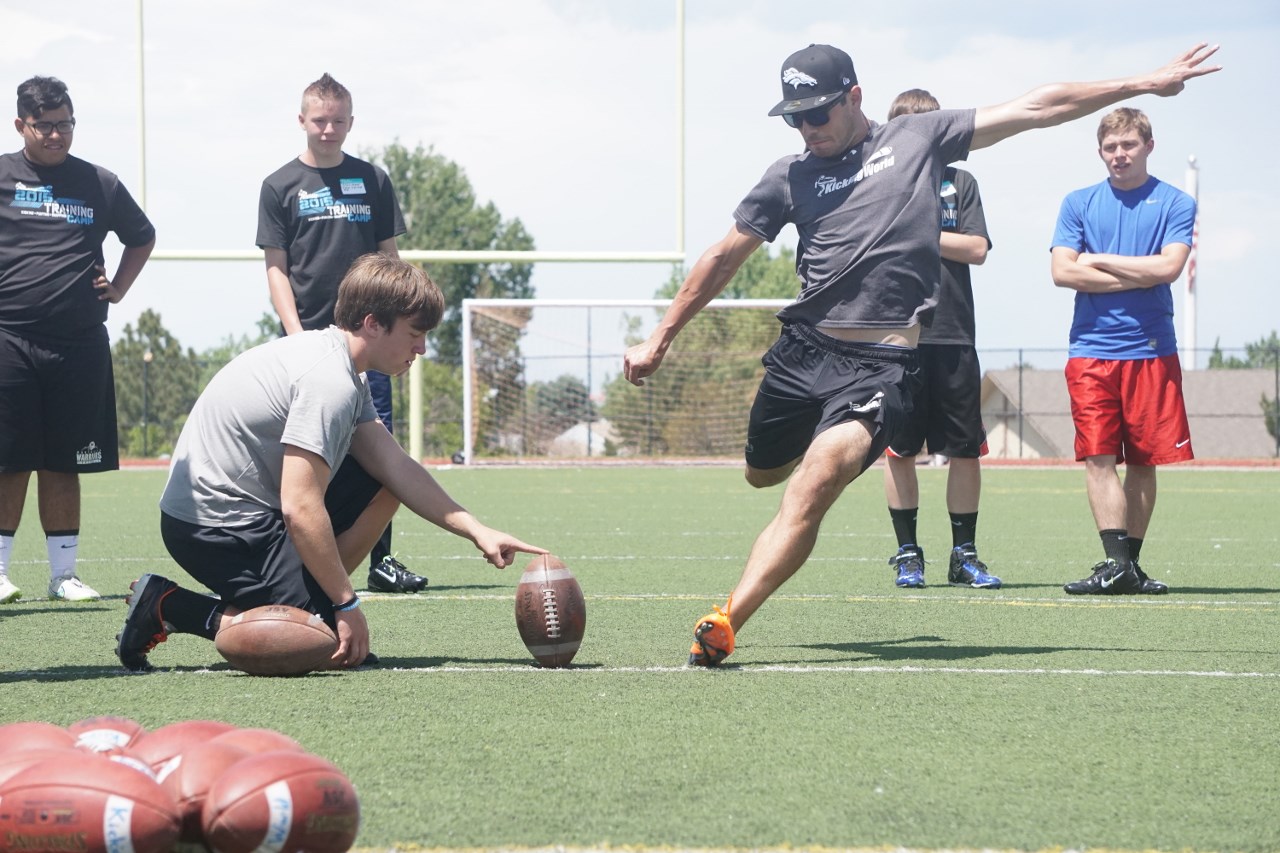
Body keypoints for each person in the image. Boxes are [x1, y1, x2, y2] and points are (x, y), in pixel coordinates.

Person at [623, 43, 1220, 666]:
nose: (807, 128)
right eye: (794, 118)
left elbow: (1037, 106)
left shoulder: (916, 137)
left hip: (878, 367)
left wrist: (1143, 83)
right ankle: (798, 448)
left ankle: (726, 621)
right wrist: (661, 337)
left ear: (854, 97)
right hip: (802, 354)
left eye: (817, 113)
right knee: (762, 474)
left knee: (814, 484)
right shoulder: (788, 175)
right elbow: (723, 256)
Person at [115, 253, 546, 672]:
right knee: (319, 642)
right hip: (214, 527)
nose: (423, 347)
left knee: (384, 483)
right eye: (415, 333)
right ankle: (170, 605)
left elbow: (395, 467)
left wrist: (477, 530)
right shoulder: (329, 381)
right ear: (372, 324)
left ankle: (307, 601)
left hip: (250, 511)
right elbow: (299, 505)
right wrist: (346, 603)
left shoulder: (344, 369)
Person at [257, 72, 425, 595]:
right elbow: (276, 268)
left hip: (369, 343)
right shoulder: (279, 185)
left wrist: (403, 323)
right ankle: (295, 554)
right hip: (308, 345)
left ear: (351, 122)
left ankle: (381, 559)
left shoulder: (372, 179)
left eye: (338, 121)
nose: (328, 130)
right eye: (319, 120)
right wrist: (295, 335)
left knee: (378, 448)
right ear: (301, 120)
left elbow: (390, 258)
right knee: (307, 450)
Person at [0, 76, 156, 605]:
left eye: (64, 124)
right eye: (44, 125)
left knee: (66, 462)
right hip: (9, 339)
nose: (56, 134)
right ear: (20, 124)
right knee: (9, 460)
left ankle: (63, 575)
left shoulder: (99, 182)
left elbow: (142, 236)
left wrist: (119, 288)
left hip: (78, 343)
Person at [1051, 107, 1194, 596]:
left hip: (1152, 351)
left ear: (1148, 146)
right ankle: (1116, 564)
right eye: (1110, 147)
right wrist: (1140, 271)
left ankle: (1129, 566)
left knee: (1144, 461)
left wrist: (1099, 260)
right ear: (1100, 151)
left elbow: (1169, 268)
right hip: (1090, 350)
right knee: (1098, 457)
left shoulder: (1175, 202)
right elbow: (1062, 272)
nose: (1119, 154)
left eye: (1128, 145)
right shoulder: (1078, 202)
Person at [880, 89, 999, 591]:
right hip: (896, 338)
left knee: (965, 450)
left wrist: (915, 233)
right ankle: (908, 554)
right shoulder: (878, 183)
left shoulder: (960, 183)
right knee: (898, 449)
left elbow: (976, 248)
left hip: (953, 335)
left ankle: (963, 555)